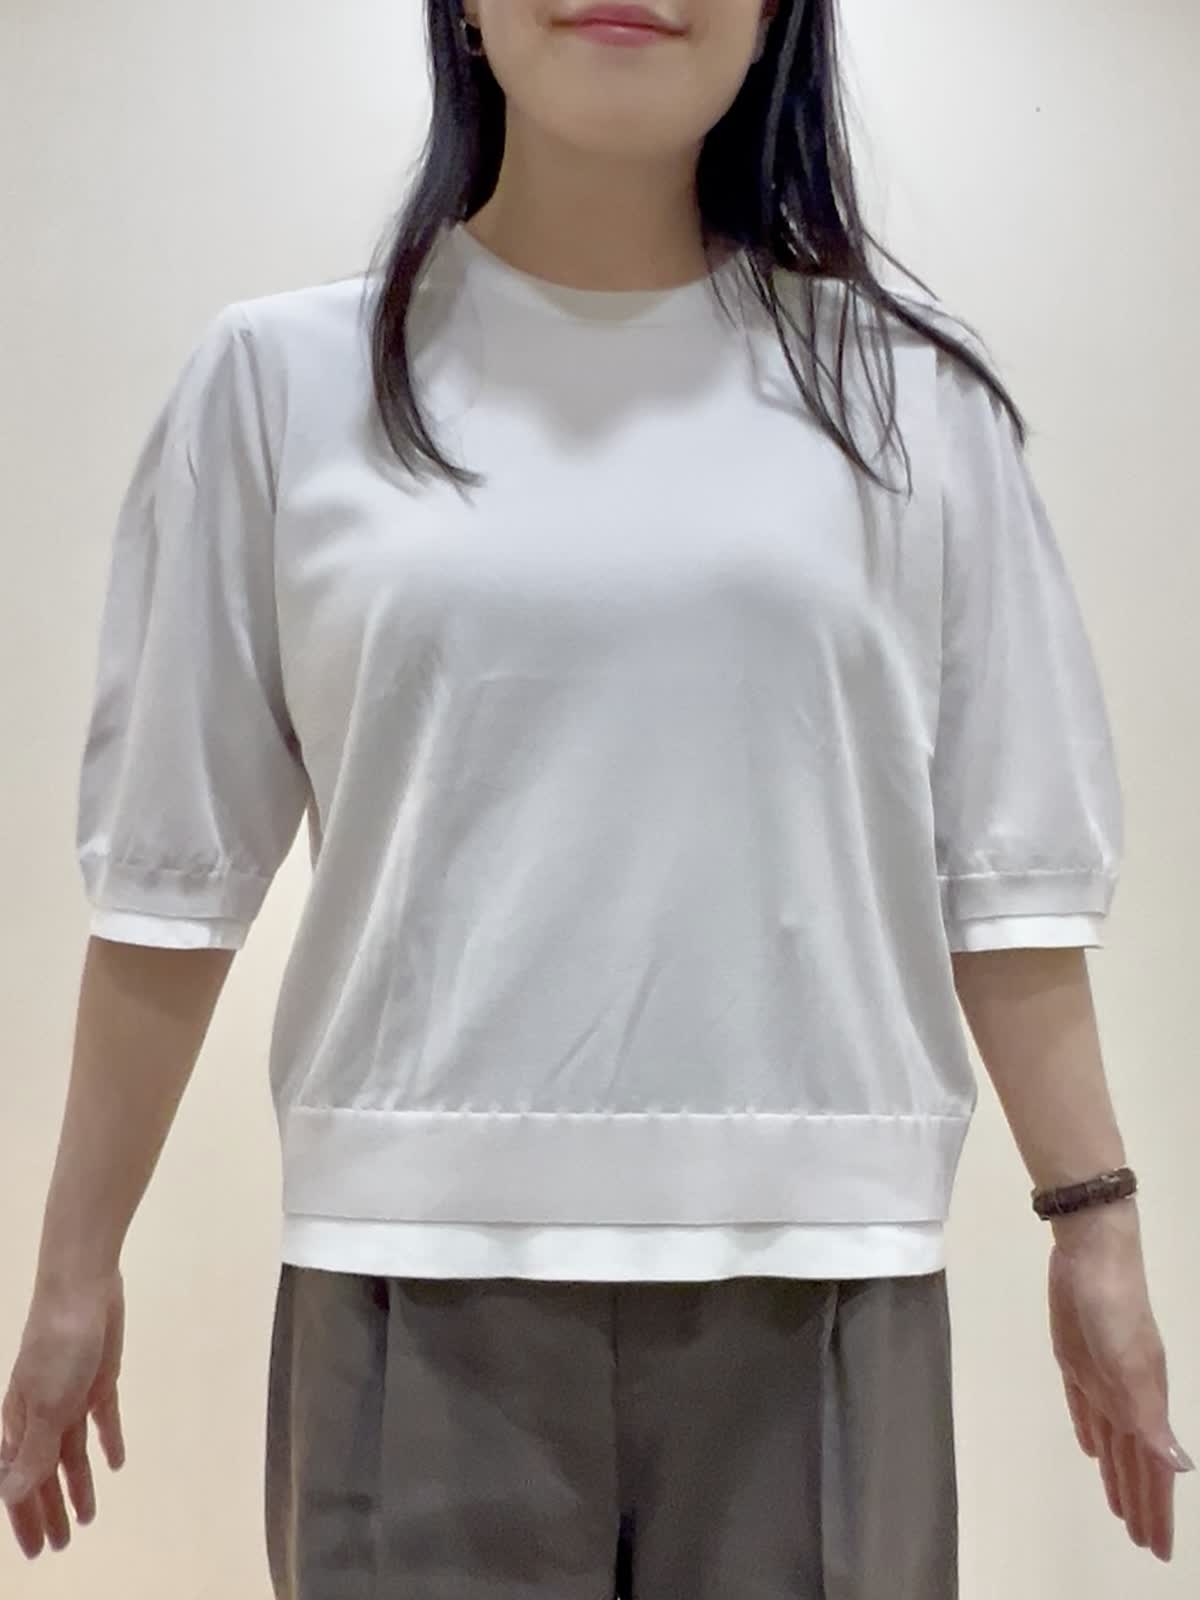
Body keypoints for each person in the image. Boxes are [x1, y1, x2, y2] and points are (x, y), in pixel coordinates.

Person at [1, 0, 1192, 1592]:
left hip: (823, 1283)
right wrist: (74, 1270)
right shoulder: (282, 384)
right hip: (410, 1279)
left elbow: (1008, 874)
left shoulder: (910, 401)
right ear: (464, 14)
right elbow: (171, 876)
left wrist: (1096, 1225)